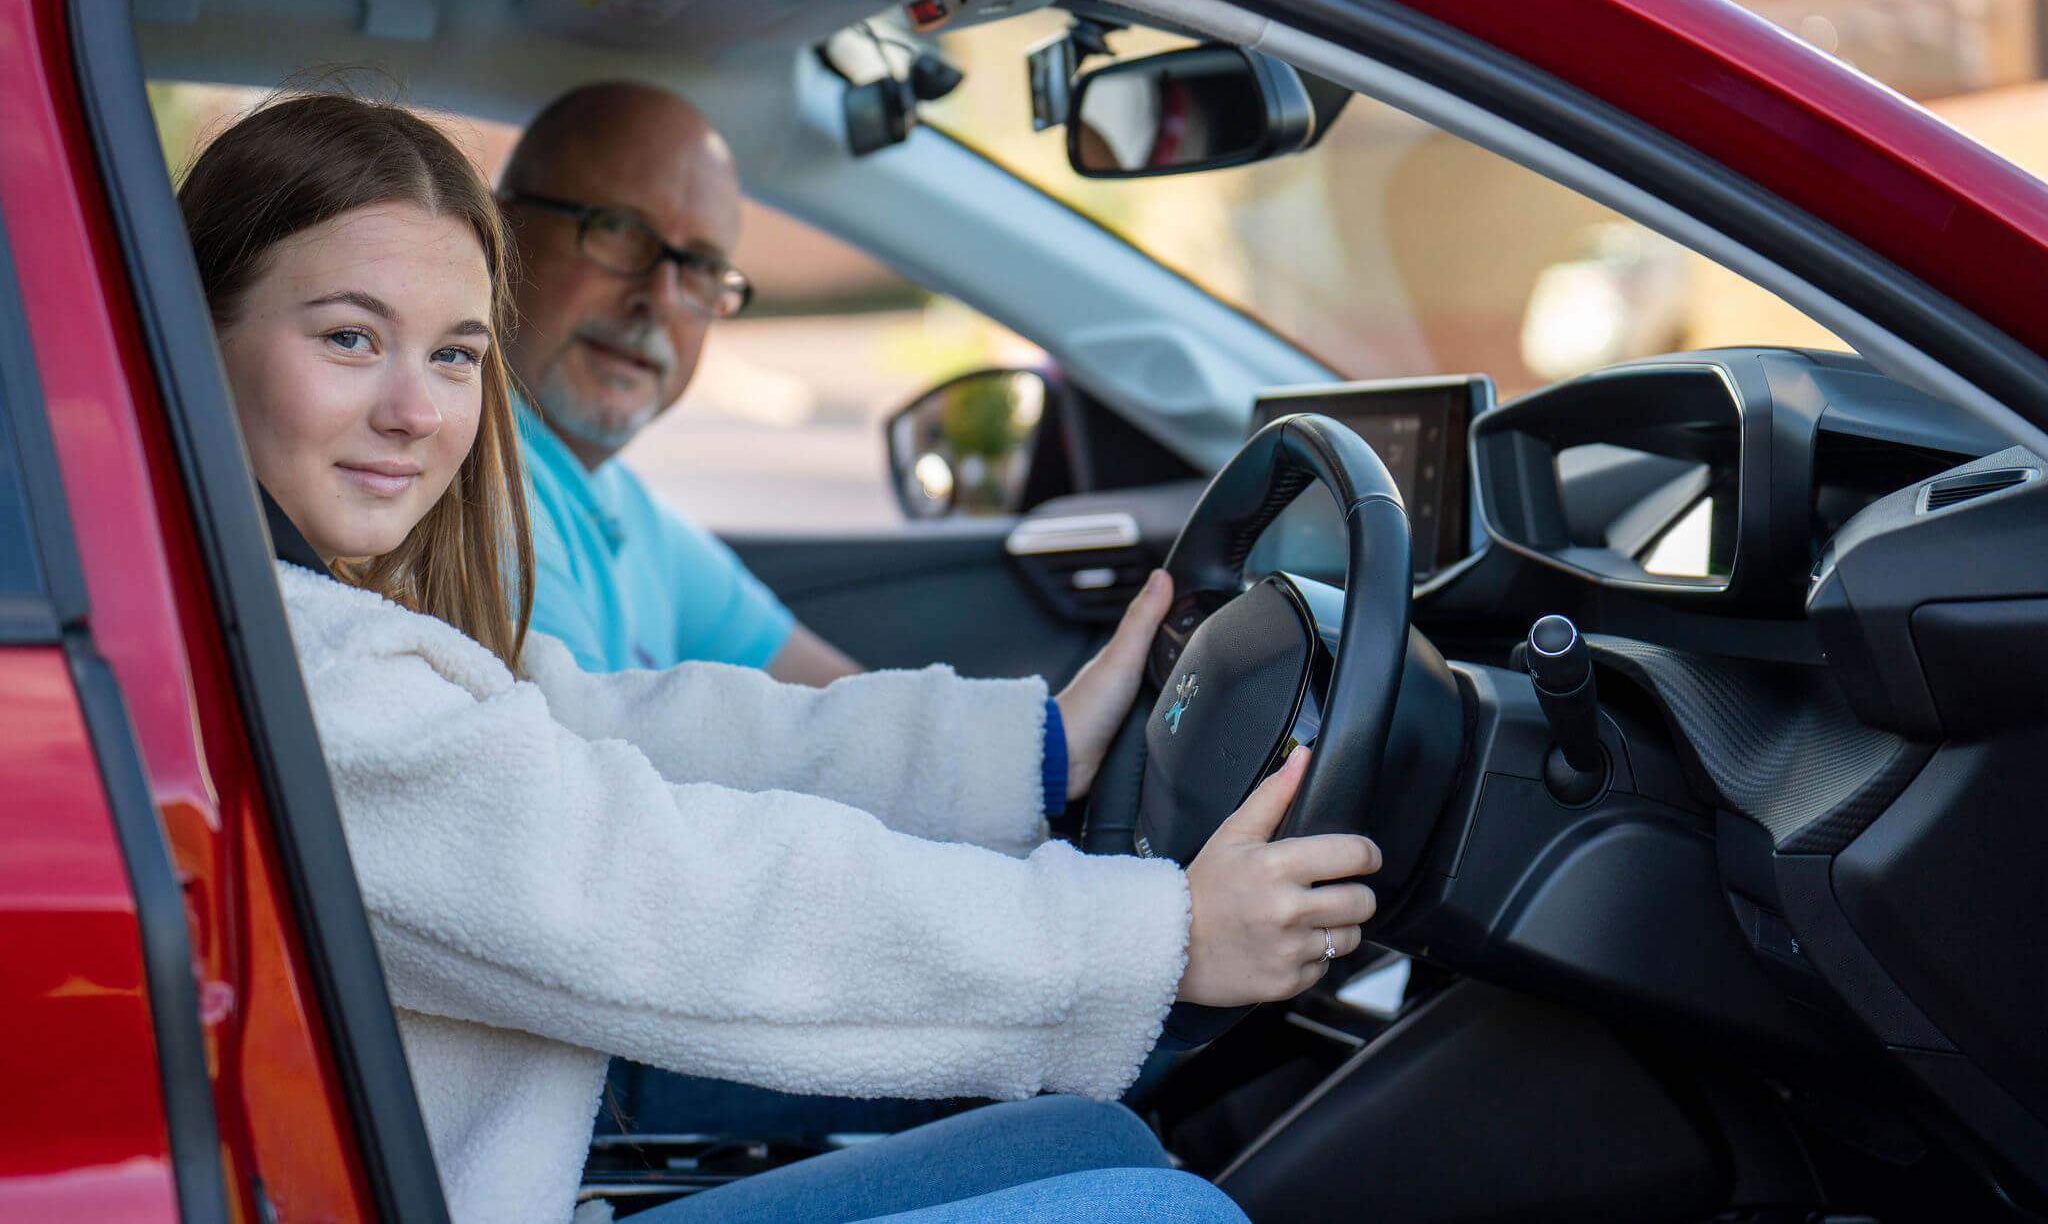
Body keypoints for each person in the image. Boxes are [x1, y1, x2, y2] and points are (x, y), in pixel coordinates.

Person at [181, 92, 1381, 1224]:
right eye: (349, 338)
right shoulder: (318, 684)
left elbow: (620, 730)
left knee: (1087, 1150)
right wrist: (1150, 938)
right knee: (1156, 1211)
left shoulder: (312, 618)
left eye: (452, 355)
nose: (417, 411)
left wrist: (1036, 748)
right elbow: (674, 892)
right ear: (194, 337)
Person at [496, 81, 861, 688]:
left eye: (700, 268)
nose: (660, 300)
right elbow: (591, 764)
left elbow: (844, 707)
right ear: (498, 232)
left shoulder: (619, 502)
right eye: (618, 230)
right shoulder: (473, 488)